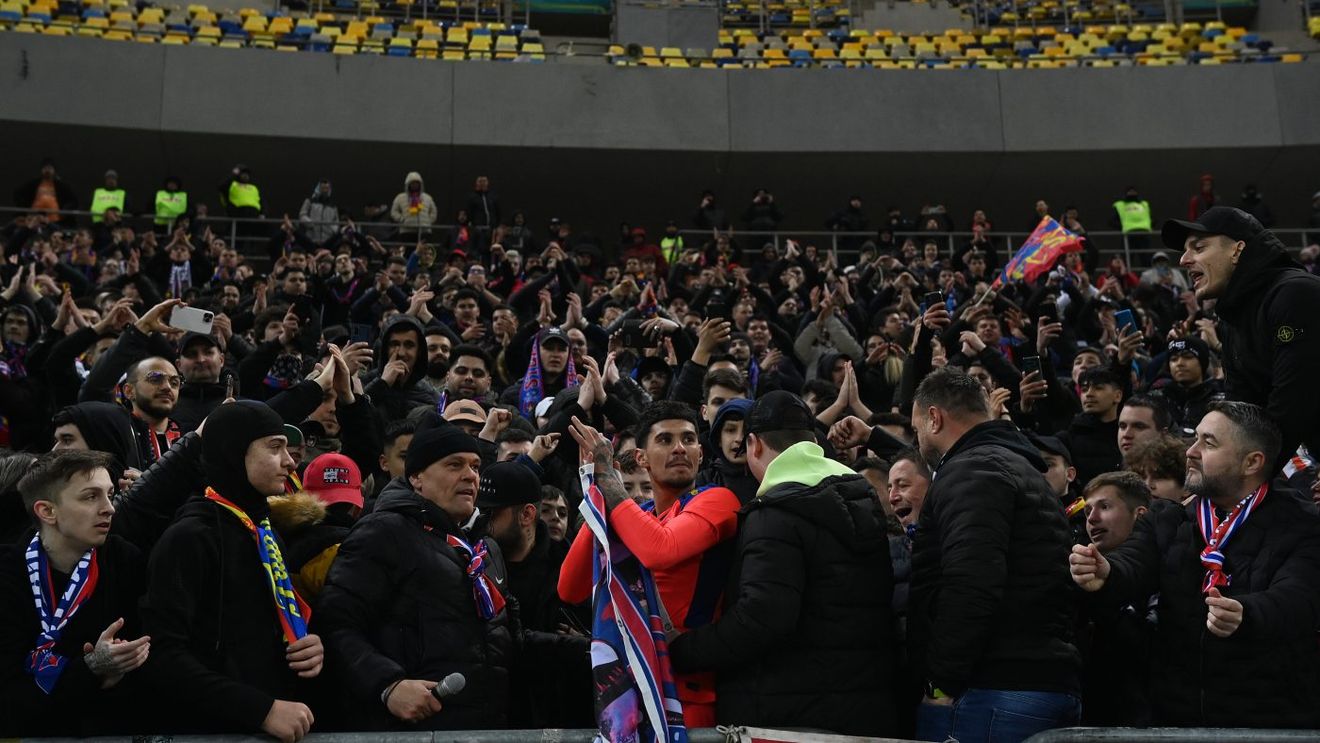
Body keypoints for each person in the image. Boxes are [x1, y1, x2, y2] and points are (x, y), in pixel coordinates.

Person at [1070, 401, 1320, 727]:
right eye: (1196, 438)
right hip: (1176, 720)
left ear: (1252, 462)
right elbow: (1133, 563)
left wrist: (1248, 613)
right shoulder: (1168, 518)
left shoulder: (1303, 524)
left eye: (1209, 442)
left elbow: (1299, 596)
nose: (1192, 451)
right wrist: (1107, 572)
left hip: (1271, 721)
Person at [665, 391, 895, 736]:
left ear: (754, 445)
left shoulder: (776, 514)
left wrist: (679, 650)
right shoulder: (861, 498)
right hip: (863, 706)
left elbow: (761, 619)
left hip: (791, 715)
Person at [908, 368, 1080, 743]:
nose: (919, 440)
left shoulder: (973, 469)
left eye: (918, 427)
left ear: (934, 418)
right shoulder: (1020, 469)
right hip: (1032, 682)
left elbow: (971, 583)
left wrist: (941, 683)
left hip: (990, 690)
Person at [138, 400, 324, 739]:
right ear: (234, 452)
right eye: (275, 447)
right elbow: (162, 654)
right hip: (208, 731)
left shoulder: (264, 529)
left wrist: (309, 644)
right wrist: (260, 709)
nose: (289, 461)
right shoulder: (190, 537)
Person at [317, 421, 515, 730]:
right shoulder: (384, 532)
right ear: (416, 478)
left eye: (476, 467)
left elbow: (506, 640)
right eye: (454, 465)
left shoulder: (482, 550)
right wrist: (388, 686)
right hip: (406, 731)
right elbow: (334, 624)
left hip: (482, 729)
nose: (470, 475)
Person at [558, 401, 742, 728]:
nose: (679, 448)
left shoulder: (717, 500)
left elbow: (659, 549)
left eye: (688, 440)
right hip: (630, 690)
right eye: (665, 440)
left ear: (701, 453)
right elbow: (570, 588)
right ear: (641, 458)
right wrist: (601, 495)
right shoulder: (637, 515)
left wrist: (611, 485)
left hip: (688, 697)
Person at [0, 450, 151, 735]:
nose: (110, 508)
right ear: (47, 511)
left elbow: (145, 675)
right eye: (90, 497)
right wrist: (92, 669)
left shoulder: (126, 561)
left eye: (109, 494)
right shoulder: (7, 573)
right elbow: (9, 702)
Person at [1165, 206, 1320, 469]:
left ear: (1237, 250)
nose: (1183, 260)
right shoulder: (1231, 319)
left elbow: (1293, 405)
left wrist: (1239, 480)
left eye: (1199, 248)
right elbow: (1245, 412)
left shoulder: (1295, 294)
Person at [1075, 471, 1154, 727]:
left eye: (1105, 506)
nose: (1092, 519)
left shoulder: (1165, 569)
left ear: (1140, 514)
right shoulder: (1076, 573)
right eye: (1087, 512)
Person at [1152, 336, 1224, 434]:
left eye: (1188, 357)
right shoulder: (1156, 399)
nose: (1179, 363)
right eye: (1174, 359)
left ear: (1202, 362)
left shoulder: (1221, 400)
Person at [389, 172, 438, 237]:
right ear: (408, 184)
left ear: (420, 184)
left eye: (416, 183)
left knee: (425, 247)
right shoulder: (400, 197)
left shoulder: (427, 197)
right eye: (412, 183)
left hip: (424, 231)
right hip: (406, 231)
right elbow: (394, 212)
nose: (414, 185)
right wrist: (402, 219)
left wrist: (428, 222)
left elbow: (434, 212)